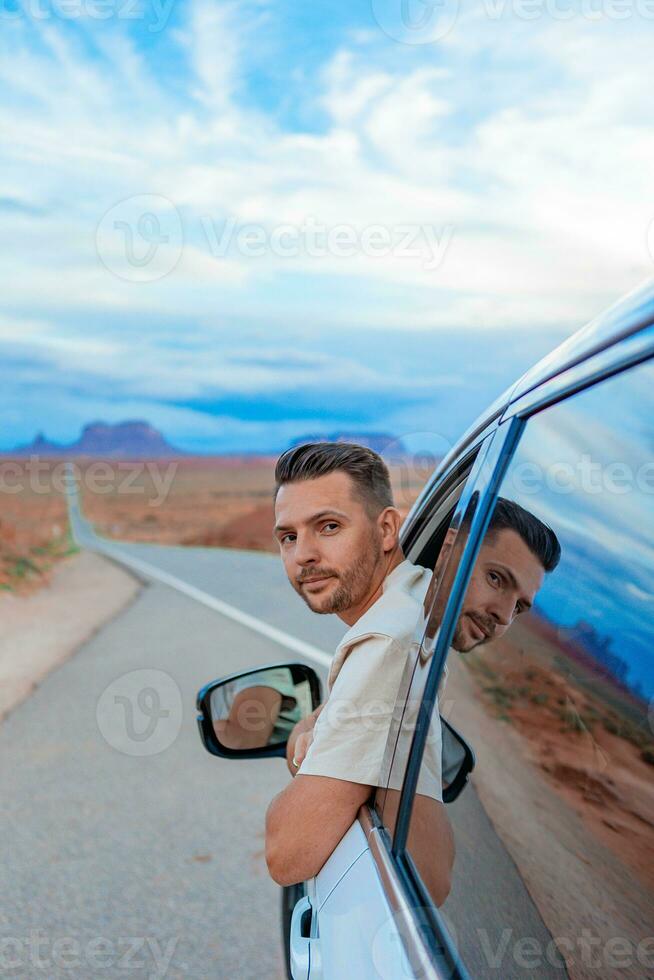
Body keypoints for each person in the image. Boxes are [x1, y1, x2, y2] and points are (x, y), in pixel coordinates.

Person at [265, 441, 447, 890]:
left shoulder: (386, 639)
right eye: (288, 537)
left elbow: (288, 852)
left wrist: (317, 733)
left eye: (327, 527)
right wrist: (326, 720)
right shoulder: (418, 595)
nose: (303, 554)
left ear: (387, 530)